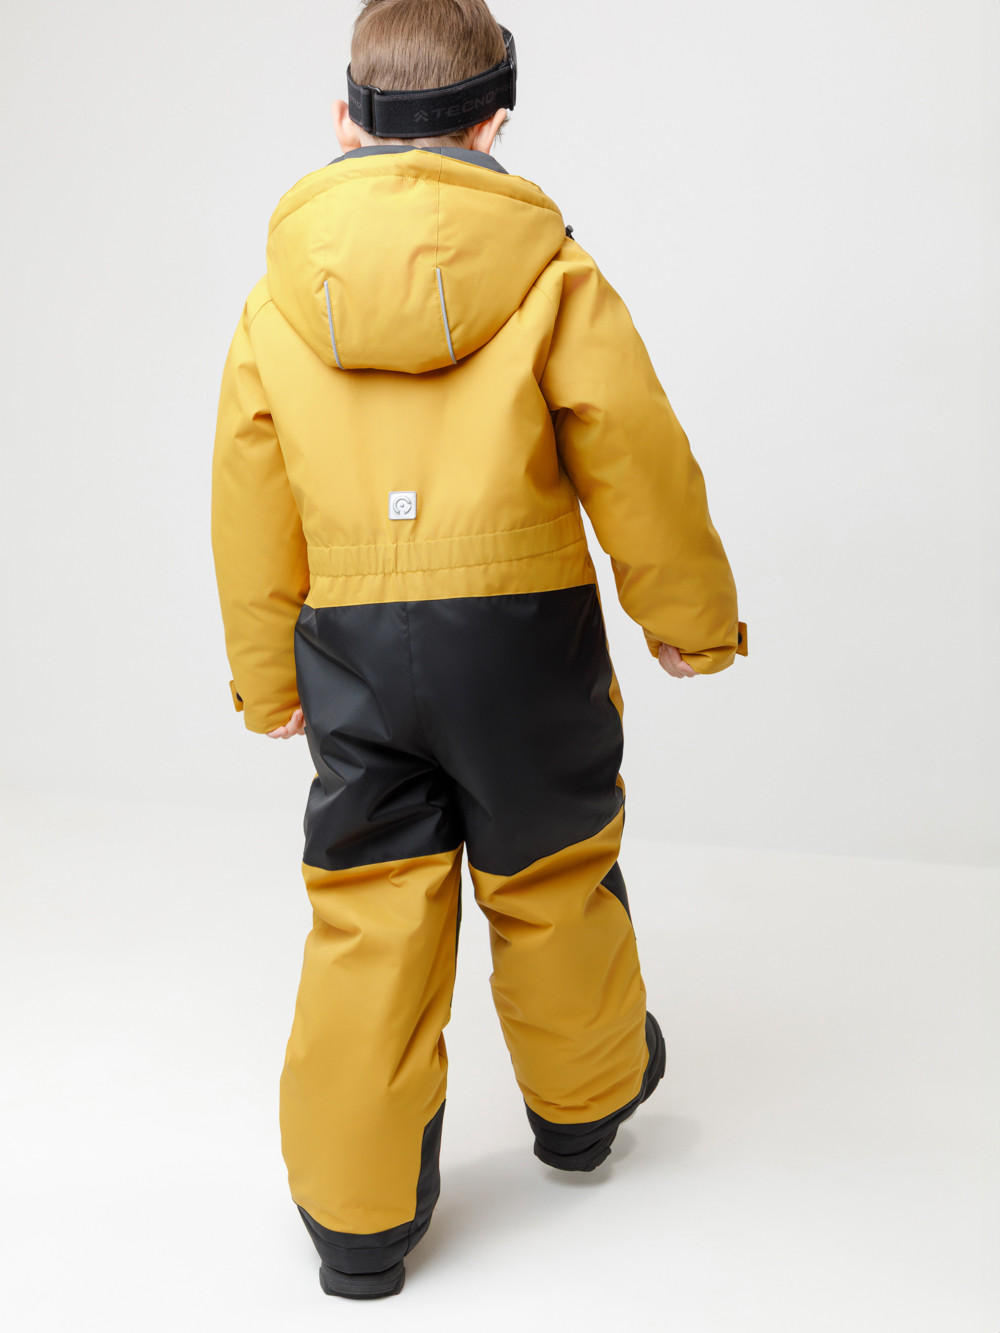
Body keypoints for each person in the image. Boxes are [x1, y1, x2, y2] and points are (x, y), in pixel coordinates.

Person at [211, 0, 746, 1302]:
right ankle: (585, 1111)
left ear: (345, 118)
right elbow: (635, 446)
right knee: (552, 868)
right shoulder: (553, 274)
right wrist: (688, 618)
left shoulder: (277, 300)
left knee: (369, 908)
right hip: (523, 636)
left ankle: (355, 1227)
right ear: (494, 121)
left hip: (354, 647)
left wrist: (268, 675)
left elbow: (247, 493)